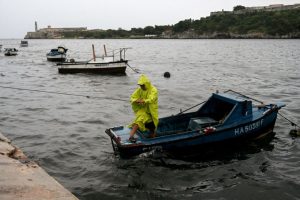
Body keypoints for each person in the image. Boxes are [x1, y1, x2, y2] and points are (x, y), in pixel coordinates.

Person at [129, 74, 158, 142]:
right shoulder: (139, 90)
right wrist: (136, 100)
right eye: (140, 85)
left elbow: (152, 99)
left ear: (146, 84)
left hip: (151, 111)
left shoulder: (154, 90)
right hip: (142, 110)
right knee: (139, 120)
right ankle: (131, 136)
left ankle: (153, 141)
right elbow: (132, 97)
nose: (141, 87)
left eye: (143, 85)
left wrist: (144, 101)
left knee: (152, 127)